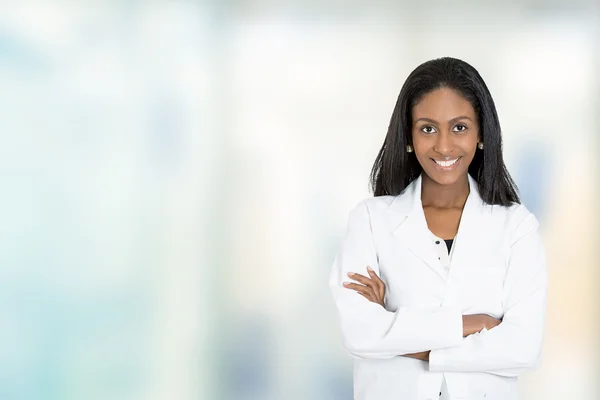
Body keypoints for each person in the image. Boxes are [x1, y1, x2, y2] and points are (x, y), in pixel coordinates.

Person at [329, 57, 547, 400]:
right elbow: (357, 332)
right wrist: (472, 325)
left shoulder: (516, 226)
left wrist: (396, 331)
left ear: (481, 135)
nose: (444, 146)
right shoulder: (370, 221)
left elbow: (522, 347)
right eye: (428, 128)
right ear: (409, 136)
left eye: (459, 127)